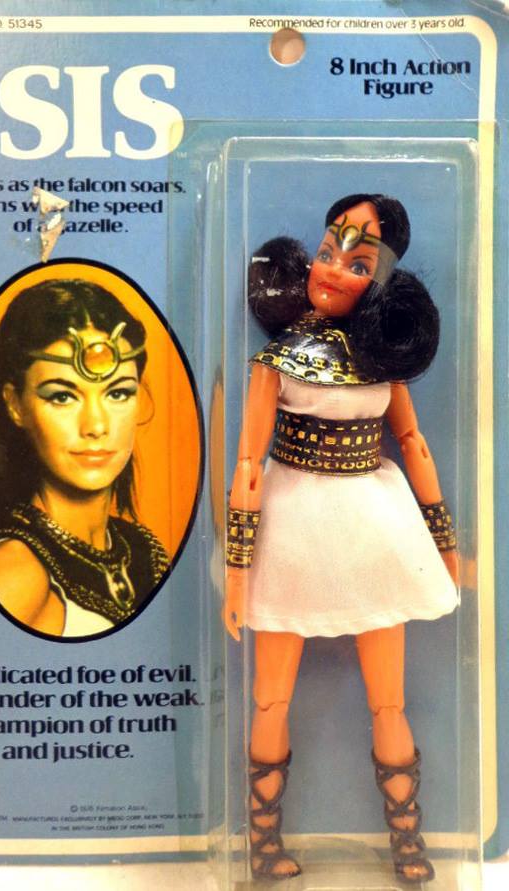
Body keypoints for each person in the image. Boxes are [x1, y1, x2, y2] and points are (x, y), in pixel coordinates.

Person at [224, 194, 459, 883]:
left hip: (373, 529)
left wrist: (444, 545)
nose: (332, 269)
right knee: (271, 697)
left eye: (357, 263)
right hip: (291, 528)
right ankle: (262, 843)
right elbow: (247, 461)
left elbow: (414, 443)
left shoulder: (382, 357)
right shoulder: (279, 357)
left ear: (382, 279)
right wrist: (237, 571)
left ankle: (407, 841)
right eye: (328, 252)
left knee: (390, 699)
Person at [0, 278, 168, 638]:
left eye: (118, 393)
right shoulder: (14, 570)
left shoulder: (143, 549)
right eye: (62, 397)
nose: (96, 426)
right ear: (15, 405)